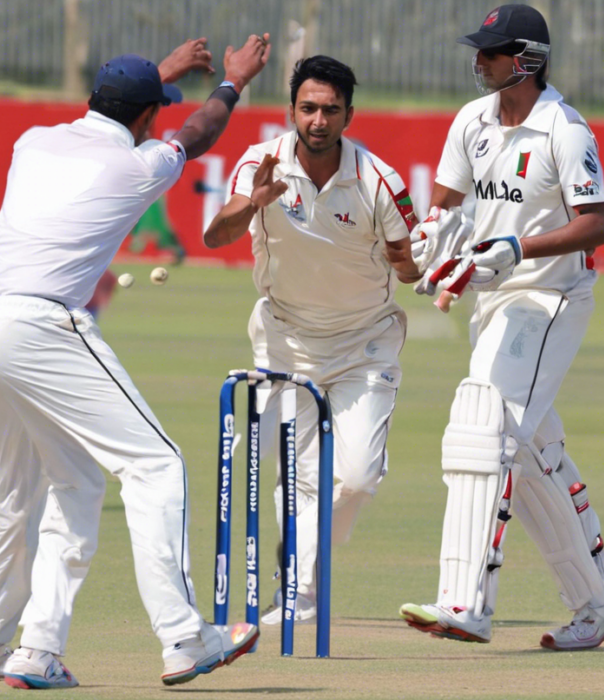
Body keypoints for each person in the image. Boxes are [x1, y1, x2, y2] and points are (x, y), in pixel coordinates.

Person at [0, 36, 271, 689]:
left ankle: (10, 647)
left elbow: (108, 113)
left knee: (45, 487)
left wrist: (163, 74)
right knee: (155, 464)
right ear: (150, 117)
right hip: (37, 323)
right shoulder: (140, 165)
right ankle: (184, 638)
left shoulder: (34, 140)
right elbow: (201, 130)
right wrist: (232, 82)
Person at [398, 4, 604, 651]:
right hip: (493, 301)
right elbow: (446, 205)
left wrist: (517, 248)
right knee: (531, 451)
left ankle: (465, 602)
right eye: (478, 50)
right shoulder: (471, 122)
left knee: (481, 421)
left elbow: (596, 221)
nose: (479, 60)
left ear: (526, 60)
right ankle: (601, 599)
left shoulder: (563, 128)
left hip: (550, 296)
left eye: (492, 51)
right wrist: (434, 244)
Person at [204, 55, 422, 624]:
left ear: (349, 114)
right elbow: (214, 234)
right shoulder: (262, 161)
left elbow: (410, 272)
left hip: (363, 344)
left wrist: (410, 257)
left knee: (355, 479)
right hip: (286, 340)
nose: (318, 121)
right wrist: (252, 203)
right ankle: (296, 590)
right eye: (308, 109)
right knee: (284, 469)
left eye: (330, 110)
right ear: (292, 111)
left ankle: (307, 556)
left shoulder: (379, 180)